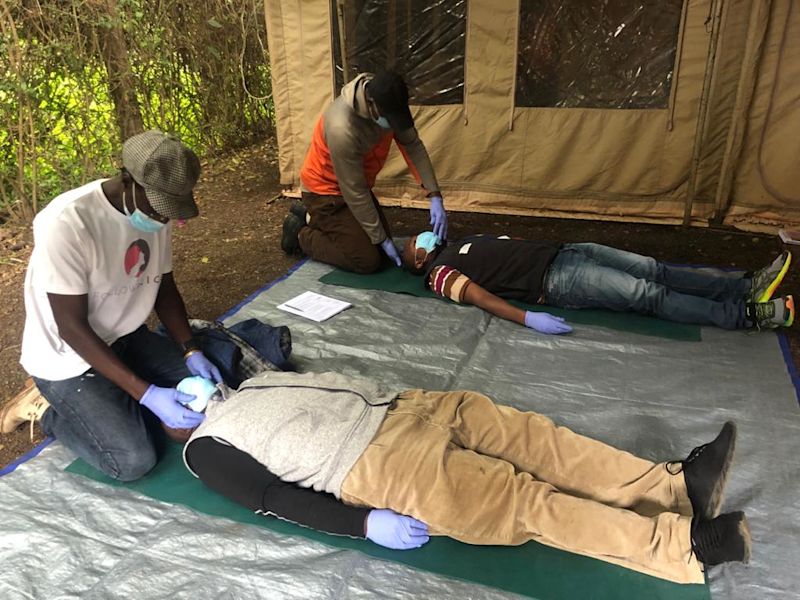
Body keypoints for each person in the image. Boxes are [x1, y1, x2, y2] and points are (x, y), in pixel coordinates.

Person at [183, 370, 750, 584]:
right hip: (373, 465)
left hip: (404, 406)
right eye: (163, 399)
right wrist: (363, 523)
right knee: (527, 503)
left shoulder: (248, 380)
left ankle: (672, 486)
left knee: (539, 440)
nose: (182, 396)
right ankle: (684, 546)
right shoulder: (203, 450)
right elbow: (273, 499)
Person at [0, 130, 223, 481]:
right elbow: (71, 328)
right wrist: (147, 393)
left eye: (170, 211)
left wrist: (190, 350)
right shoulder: (67, 223)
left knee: (214, 404)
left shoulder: (153, 210)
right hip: (67, 359)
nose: (164, 220)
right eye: (159, 209)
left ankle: (122, 399)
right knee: (132, 458)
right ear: (126, 179)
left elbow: (164, 287)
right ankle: (46, 410)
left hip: (125, 336)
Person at [401, 232, 793, 332]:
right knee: (648, 293)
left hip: (566, 251)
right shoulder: (437, 275)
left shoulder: (461, 241)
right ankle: (749, 315)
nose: (418, 238)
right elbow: (481, 297)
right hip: (557, 279)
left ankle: (744, 286)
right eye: (412, 245)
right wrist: (527, 318)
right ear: (418, 260)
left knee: (654, 269)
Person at [281, 70, 448, 274]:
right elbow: (355, 191)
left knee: (380, 249)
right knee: (367, 260)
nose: (392, 125)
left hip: (356, 185)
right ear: (371, 104)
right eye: (390, 120)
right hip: (325, 192)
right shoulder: (341, 127)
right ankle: (302, 234)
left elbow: (412, 144)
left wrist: (434, 195)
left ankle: (311, 217)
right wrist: (381, 239)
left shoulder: (389, 100)